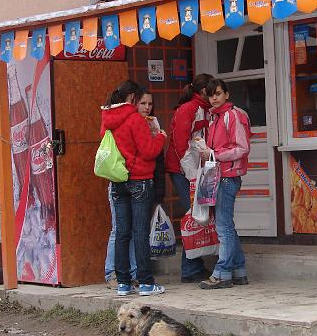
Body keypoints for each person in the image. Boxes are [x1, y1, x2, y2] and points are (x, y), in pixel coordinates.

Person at [101, 80, 167, 296]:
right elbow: (148, 151)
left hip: (117, 181)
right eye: (139, 99)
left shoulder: (107, 119)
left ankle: (123, 283)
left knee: (122, 233)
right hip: (139, 180)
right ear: (131, 98)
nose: (142, 103)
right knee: (140, 232)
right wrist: (160, 137)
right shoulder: (134, 119)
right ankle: (146, 283)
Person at [199, 78, 251, 290]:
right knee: (226, 224)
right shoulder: (215, 117)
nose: (214, 98)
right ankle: (238, 270)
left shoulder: (232, 116)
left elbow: (242, 147)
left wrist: (213, 154)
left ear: (227, 95)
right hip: (218, 175)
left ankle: (222, 272)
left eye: (218, 93)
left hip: (228, 176)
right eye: (211, 94)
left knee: (223, 226)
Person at [165, 73, 213, 283]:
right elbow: (180, 144)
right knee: (193, 216)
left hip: (193, 169)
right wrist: (194, 177)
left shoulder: (202, 108)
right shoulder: (189, 109)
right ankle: (190, 269)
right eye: (212, 91)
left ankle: (192, 267)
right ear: (203, 91)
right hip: (184, 170)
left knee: (193, 215)